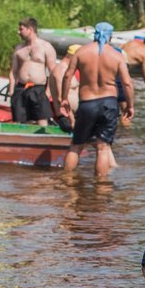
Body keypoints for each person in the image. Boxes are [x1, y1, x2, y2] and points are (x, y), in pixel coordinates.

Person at [59, 23, 133, 176]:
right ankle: (101, 186)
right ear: (110, 36)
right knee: (103, 147)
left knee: (76, 146)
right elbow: (127, 83)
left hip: (87, 102)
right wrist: (130, 105)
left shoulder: (81, 52)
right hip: (109, 103)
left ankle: (66, 181)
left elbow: (67, 75)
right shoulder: (116, 55)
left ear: (94, 34)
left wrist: (64, 98)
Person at [9, 17, 59, 126]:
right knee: (19, 122)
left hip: (38, 89)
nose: (18, 32)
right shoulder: (19, 48)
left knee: (42, 120)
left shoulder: (46, 47)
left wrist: (48, 92)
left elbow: (53, 72)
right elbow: (13, 71)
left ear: (30, 29)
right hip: (21, 89)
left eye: (21, 29)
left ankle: (43, 141)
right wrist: (11, 90)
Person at [51, 44, 81, 132]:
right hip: (67, 117)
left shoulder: (67, 69)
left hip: (74, 115)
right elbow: (61, 98)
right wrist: (72, 120)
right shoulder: (61, 70)